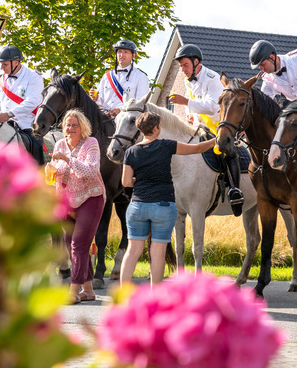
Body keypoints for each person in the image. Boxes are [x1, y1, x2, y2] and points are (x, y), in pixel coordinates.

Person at [119, 110, 217, 286]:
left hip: (137, 207)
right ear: (157, 128)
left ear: (141, 129)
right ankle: (155, 294)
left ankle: (123, 293)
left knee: (132, 251)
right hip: (162, 206)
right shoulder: (167, 145)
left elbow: (126, 182)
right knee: (157, 253)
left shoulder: (131, 151)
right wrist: (217, 140)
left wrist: (141, 180)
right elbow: (198, 148)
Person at [167, 44, 244, 215]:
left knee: (229, 151)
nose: (183, 70)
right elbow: (192, 102)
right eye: (181, 66)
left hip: (218, 127)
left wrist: (186, 102)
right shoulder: (188, 80)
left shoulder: (212, 78)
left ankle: (235, 191)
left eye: (185, 65)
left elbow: (212, 107)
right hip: (198, 127)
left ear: (196, 62)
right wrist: (189, 114)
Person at [47, 109, 105, 304]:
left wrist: (67, 160)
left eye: (74, 125)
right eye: (67, 125)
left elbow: (90, 171)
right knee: (70, 243)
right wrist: (51, 170)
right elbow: (57, 172)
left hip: (90, 197)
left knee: (78, 244)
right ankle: (88, 290)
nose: (70, 128)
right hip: (66, 200)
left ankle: (73, 290)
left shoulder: (91, 143)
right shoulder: (59, 144)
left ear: (82, 127)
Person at [0, 45, 45, 163]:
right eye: (1, 64)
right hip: (4, 124)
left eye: (5, 64)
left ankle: (37, 171)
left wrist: (9, 114)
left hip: (26, 124)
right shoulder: (1, 80)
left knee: (35, 144)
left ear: (16, 62)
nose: (1, 67)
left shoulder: (33, 76)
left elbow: (32, 101)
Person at [96, 39, 151, 117]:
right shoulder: (107, 76)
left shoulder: (141, 76)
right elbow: (100, 102)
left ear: (133, 55)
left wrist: (120, 110)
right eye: (119, 52)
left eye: (126, 52)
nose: (122, 55)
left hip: (126, 119)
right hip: (104, 118)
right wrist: (95, 98)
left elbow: (140, 104)